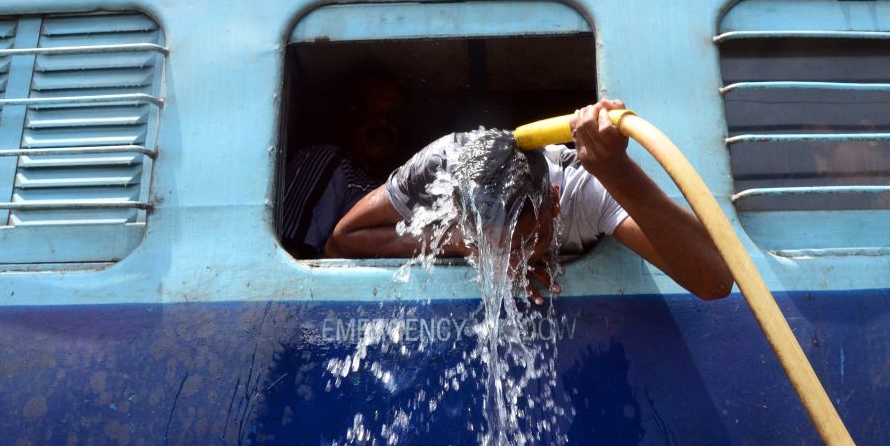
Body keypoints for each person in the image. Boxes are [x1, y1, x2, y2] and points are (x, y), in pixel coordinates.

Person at [326, 100, 733, 303]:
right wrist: (458, 242)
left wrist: (618, 170)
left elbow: (714, 282)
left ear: (554, 204)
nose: (507, 262)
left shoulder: (583, 188)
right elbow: (341, 239)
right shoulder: (440, 166)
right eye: (491, 247)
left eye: (523, 245)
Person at [281, 68, 404, 258]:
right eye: (372, 111)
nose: (383, 123)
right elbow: (289, 256)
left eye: (392, 116)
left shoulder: (387, 183)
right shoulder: (329, 161)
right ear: (349, 116)